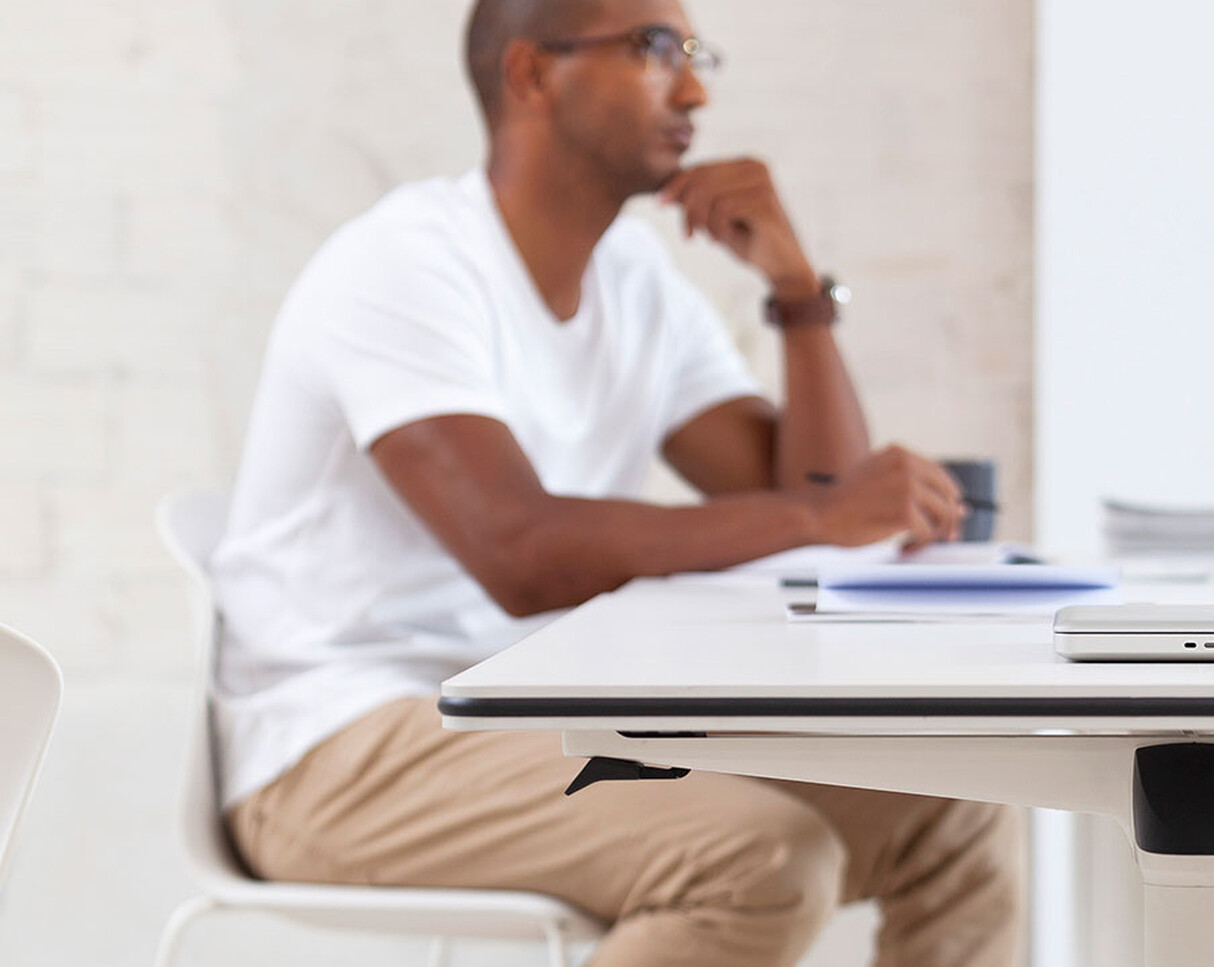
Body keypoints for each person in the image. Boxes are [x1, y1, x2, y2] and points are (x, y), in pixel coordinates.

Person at [207, 0, 1025, 964]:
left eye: (695, 54)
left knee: (956, 811)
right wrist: (818, 512)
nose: (695, 90)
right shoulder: (406, 266)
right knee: (761, 861)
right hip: (336, 749)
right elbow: (520, 554)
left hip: (535, 722)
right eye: (654, 51)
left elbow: (821, 504)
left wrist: (799, 295)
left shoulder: (634, 281)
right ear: (531, 75)